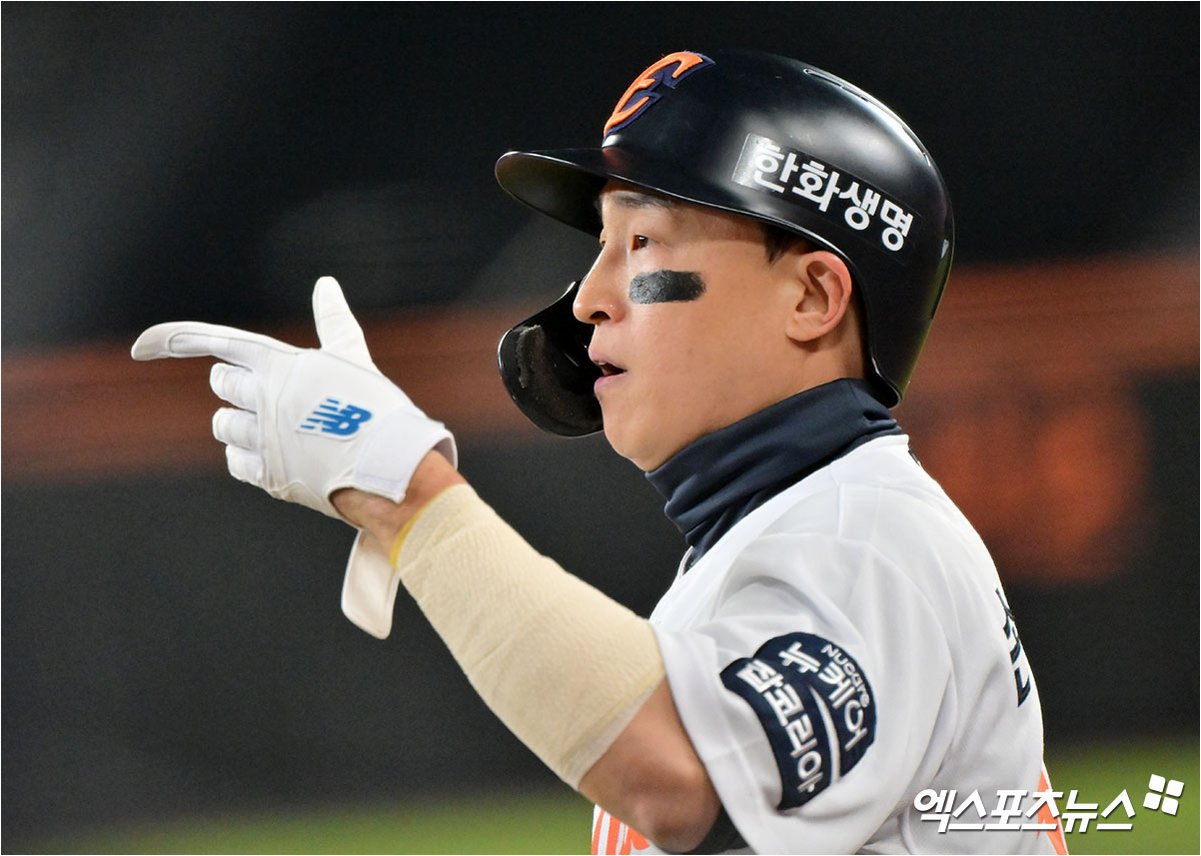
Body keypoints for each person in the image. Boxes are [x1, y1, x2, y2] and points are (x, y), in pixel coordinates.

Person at [132, 50, 1066, 854]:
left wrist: (409, 498)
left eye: (642, 241)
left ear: (812, 298)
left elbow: (679, 776)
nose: (586, 299)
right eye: (603, 245)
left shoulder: (865, 537)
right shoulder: (787, 533)